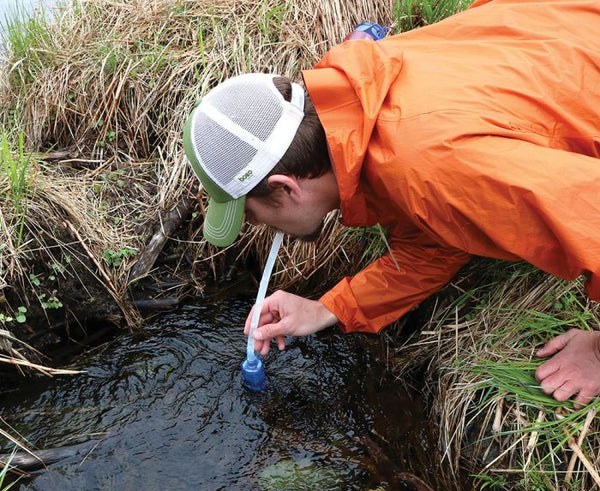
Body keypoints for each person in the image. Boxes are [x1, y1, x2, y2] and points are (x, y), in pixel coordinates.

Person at [183, 0, 600, 407]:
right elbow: (438, 239)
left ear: (286, 188)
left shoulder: (434, 166)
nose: (256, 226)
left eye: (251, 213)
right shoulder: (364, 105)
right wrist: (326, 309)